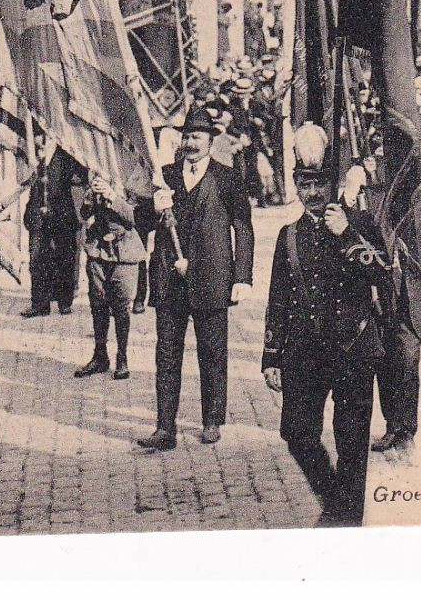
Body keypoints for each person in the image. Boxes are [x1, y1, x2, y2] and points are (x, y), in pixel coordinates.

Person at [261, 124, 386, 526]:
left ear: (332, 184)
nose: (312, 193)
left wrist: (347, 234)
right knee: (296, 434)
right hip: (305, 352)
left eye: (319, 184)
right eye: (304, 184)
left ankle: (347, 519)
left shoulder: (361, 224)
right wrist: (271, 355)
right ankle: (337, 501)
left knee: (352, 441)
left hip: (354, 347)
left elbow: (386, 277)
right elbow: (278, 297)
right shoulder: (289, 235)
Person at [139, 110, 254, 450]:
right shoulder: (164, 177)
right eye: (186, 137)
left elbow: (243, 228)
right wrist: (152, 207)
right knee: (167, 354)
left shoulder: (228, 178)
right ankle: (165, 427)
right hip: (169, 280)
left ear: (210, 141)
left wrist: (242, 276)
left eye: (197, 138)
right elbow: (142, 224)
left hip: (212, 279)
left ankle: (211, 420)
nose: (190, 144)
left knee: (213, 352)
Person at [370, 168, 421, 454]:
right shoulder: (378, 201)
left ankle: (407, 431)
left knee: (407, 363)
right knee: (384, 364)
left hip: (415, 304)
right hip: (383, 300)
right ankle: (392, 425)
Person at [73, 175, 147, 380]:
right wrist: (90, 198)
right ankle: (100, 355)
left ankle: (122, 358)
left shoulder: (132, 178)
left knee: (121, 306)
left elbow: (134, 219)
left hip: (124, 253)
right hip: (98, 251)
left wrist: (113, 196)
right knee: (98, 304)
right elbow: (84, 214)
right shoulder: (96, 178)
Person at [21, 135, 81, 318]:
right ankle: (39, 303)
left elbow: (79, 175)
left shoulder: (67, 149)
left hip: (62, 213)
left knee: (65, 257)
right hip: (38, 212)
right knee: (37, 258)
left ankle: (64, 301)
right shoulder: (31, 149)